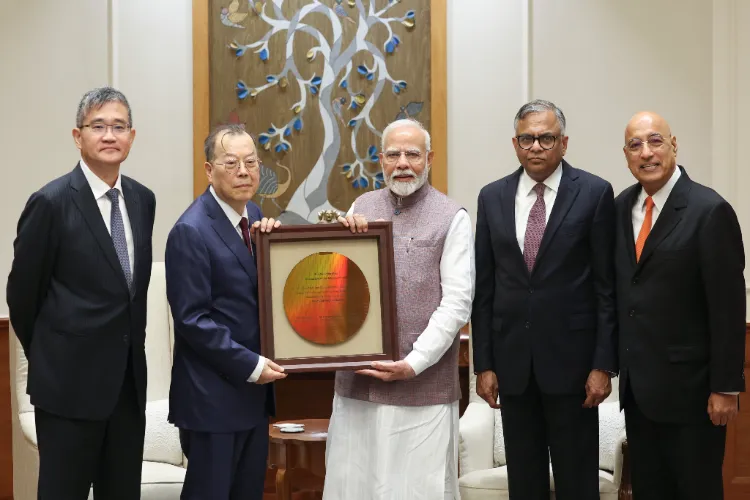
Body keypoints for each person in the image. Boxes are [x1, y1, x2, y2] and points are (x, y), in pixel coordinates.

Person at [7, 87, 155, 499]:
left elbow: (132, 294)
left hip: (127, 387)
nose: (110, 135)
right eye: (98, 126)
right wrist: (56, 356)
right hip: (68, 389)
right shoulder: (51, 202)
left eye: (119, 126)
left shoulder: (143, 200)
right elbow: (22, 296)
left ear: (132, 135)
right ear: (78, 136)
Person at [472, 99, 617, 500]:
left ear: (564, 143)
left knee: (577, 483)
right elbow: (485, 289)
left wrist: (603, 364)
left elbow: (607, 288)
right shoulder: (492, 197)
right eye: (527, 138)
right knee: (526, 483)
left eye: (546, 138)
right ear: (515, 143)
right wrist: (483, 364)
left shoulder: (593, 193)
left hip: (574, 370)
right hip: (513, 369)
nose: (536, 147)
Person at [323, 118, 475, 499]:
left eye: (413, 154)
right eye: (393, 154)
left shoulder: (452, 216)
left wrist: (413, 362)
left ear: (429, 159)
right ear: (380, 158)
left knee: (414, 490)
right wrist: (338, 244)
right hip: (358, 385)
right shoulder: (361, 206)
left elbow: (457, 303)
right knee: (353, 486)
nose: (403, 162)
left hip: (421, 389)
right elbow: (335, 283)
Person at [615, 111, 746, 500]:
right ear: (626, 156)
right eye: (635, 145)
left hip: (694, 397)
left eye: (656, 141)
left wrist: (725, 387)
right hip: (639, 394)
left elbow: (727, 307)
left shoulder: (709, 210)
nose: (646, 153)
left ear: (674, 145)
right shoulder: (621, 207)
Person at [165, 124, 286, 500]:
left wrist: (273, 246)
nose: (244, 172)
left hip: (250, 399)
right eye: (230, 163)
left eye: (251, 162)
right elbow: (192, 320)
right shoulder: (191, 230)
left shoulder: (252, 214)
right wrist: (251, 365)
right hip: (212, 400)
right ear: (208, 170)